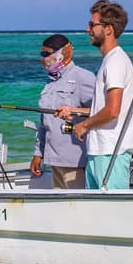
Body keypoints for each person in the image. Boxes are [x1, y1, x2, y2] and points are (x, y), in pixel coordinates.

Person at [56, 0, 133, 190]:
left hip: (111, 153)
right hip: (100, 152)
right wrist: (75, 110)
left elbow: (112, 110)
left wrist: (83, 126)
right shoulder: (110, 61)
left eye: (92, 24)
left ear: (108, 29)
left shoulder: (116, 62)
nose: (88, 29)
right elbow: (105, 108)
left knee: (113, 215)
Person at [30, 34, 95, 189]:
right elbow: (44, 123)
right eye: (41, 54)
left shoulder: (83, 77)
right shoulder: (50, 82)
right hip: (53, 159)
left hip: (76, 160)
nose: (42, 58)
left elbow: (101, 112)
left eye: (46, 54)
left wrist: (75, 111)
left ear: (62, 54)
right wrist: (38, 153)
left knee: (77, 208)